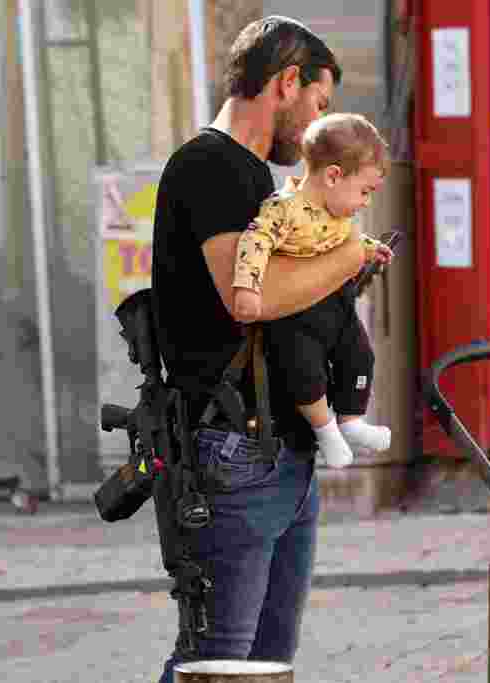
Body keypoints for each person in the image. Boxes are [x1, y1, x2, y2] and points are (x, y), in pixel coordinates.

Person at [150, 17, 365, 682]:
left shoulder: (255, 179)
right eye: (319, 106)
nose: (316, 129)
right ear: (287, 82)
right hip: (231, 453)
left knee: (266, 665)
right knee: (214, 663)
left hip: (279, 452)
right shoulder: (209, 166)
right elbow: (256, 294)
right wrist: (349, 254)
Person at [232, 112, 393, 469]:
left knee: (360, 355)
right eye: (364, 191)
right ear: (333, 175)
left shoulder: (338, 216)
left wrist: (369, 248)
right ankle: (326, 430)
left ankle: (352, 420)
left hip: (336, 306)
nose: (366, 201)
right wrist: (247, 286)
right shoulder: (283, 208)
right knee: (305, 371)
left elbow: (342, 239)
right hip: (296, 311)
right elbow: (254, 241)